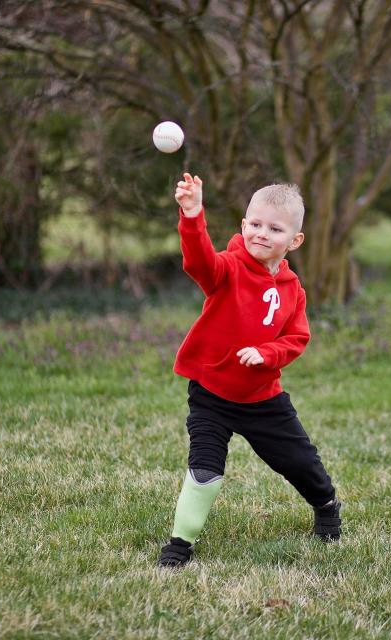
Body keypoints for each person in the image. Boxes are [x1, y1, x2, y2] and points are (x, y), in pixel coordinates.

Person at [157, 172, 341, 569]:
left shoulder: (294, 289)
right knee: (205, 466)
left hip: (262, 400)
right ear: (243, 226)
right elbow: (199, 261)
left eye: (274, 228)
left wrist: (268, 353)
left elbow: (297, 338)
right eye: (255, 224)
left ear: (294, 240)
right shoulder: (227, 270)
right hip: (211, 395)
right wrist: (192, 215)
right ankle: (179, 544)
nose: (261, 233)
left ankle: (326, 506)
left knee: (299, 461)